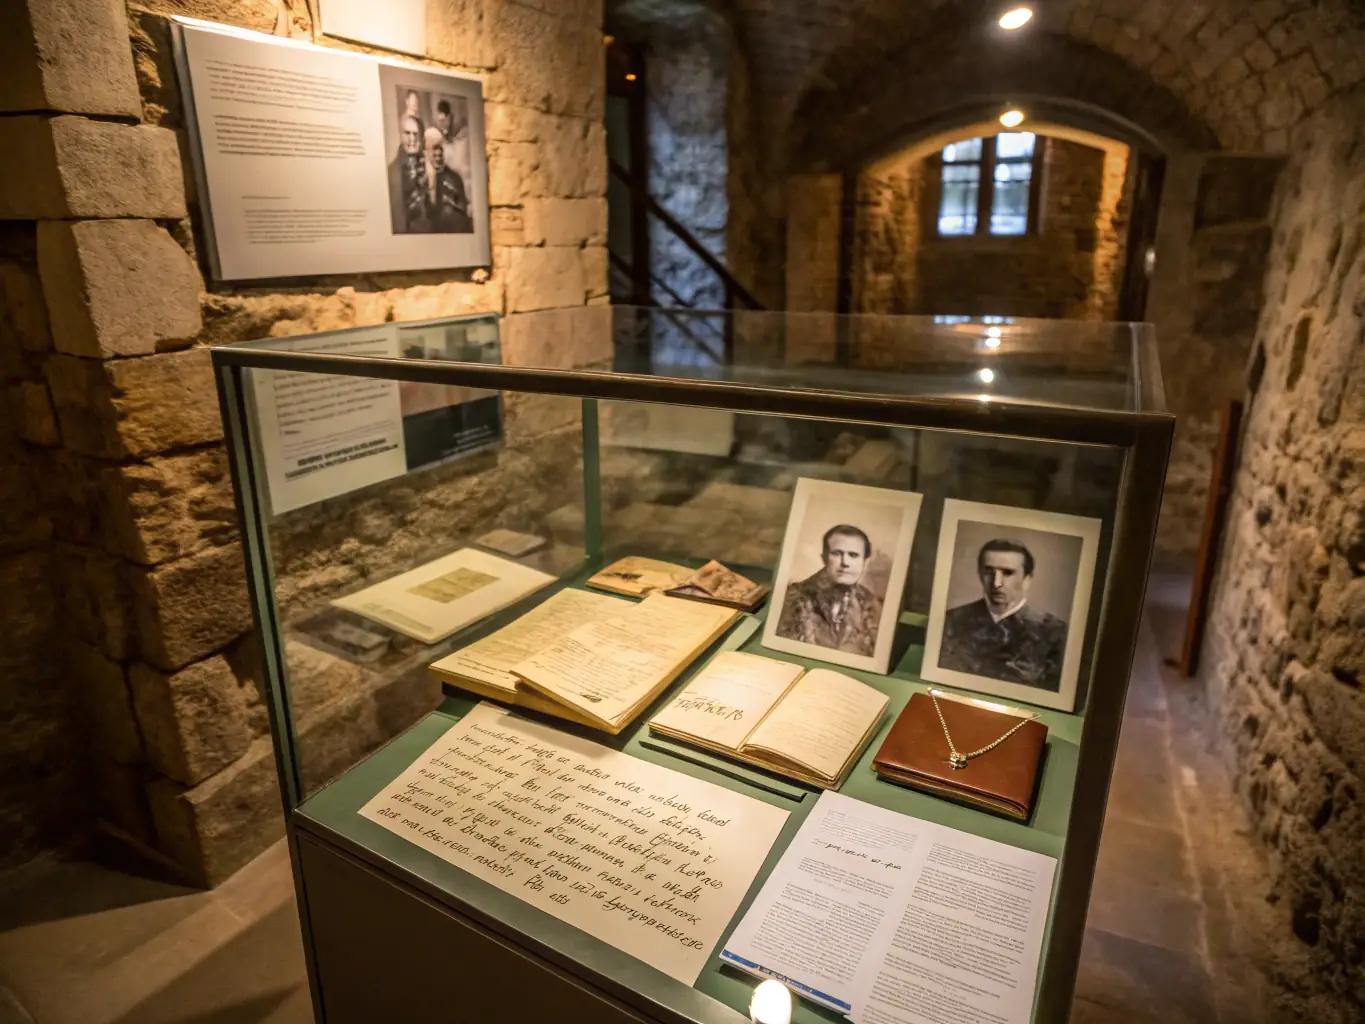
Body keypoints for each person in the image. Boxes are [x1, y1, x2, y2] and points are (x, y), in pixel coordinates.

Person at [939, 539, 1067, 689]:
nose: (996, 583)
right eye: (988, 572)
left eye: (1008, 573)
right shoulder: (952, 621)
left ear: (1027, 579)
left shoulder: (1054, 632)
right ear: (980, 574)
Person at [776, 524, 883, 656]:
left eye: (853, 555)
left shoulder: (871, 603)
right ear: (824, 558)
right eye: (837, 553)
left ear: (864, 562)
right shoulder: (795, 597)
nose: (845, 562)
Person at [421, 126, 473, 233]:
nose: (438, 153)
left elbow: (462, 218)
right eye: (434, 148)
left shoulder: (454, 179)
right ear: (425, 151)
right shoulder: (419, 181)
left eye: (440, 147)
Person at [388, 114, 426, 233]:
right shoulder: (392, 173)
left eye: (415, 134)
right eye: (407, 133)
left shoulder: (430, 166)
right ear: (401, 136)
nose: (411, 139)